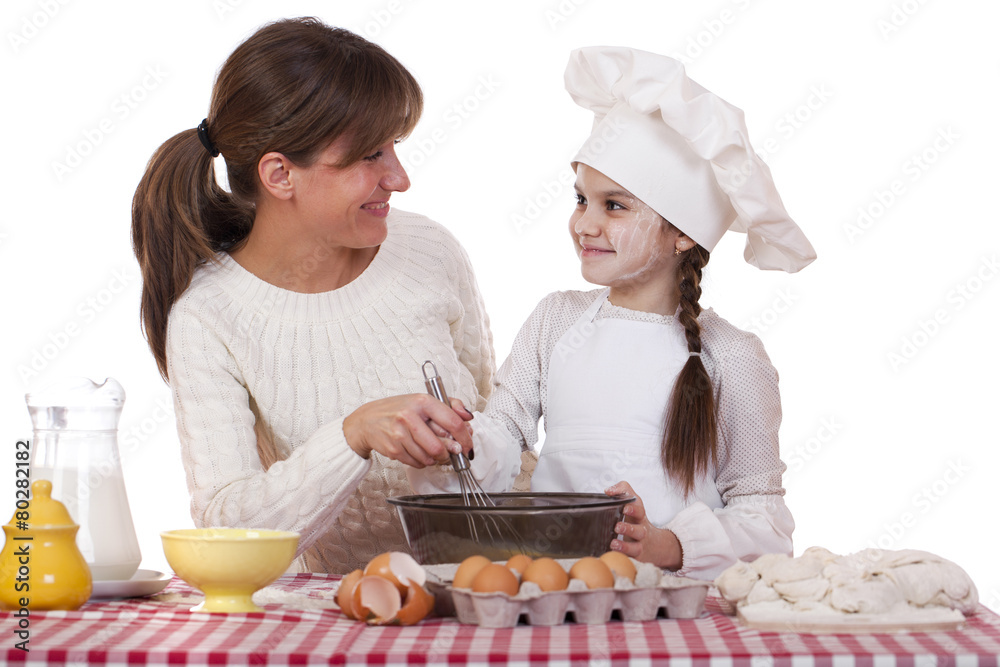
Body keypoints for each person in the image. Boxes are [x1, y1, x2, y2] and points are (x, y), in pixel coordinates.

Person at [131, 17, 518, 574]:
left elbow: (500, 426)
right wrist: (352, 435)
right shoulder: (208, 318)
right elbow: (225, 529)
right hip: (338, 622)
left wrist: (475, 439)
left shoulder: (428, 250)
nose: (400, 177)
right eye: (369, 156)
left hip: (493, 590)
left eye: (395, 146)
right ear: (280, 175)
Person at [414, 46, 817, 581]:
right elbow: (505, 434)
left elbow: (764, 517)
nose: (584, 224)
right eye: (581, 199)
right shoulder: (555, 321)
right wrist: (467, 441)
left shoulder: (733, 357)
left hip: (671, 609)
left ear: (682, 234)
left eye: (615, 205)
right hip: (552, 590)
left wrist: (663, 544)